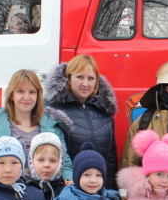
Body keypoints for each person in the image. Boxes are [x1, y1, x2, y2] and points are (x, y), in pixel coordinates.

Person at [0, 69, 73, 186]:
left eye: (32, 92)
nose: (27, 97)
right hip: (4, 194)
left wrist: (67, 179)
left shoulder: (52, 124)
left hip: (44, 195)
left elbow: (63, 160)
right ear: (12, 95)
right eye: (21, 91)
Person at [44, 55, 120, 190]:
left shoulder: (104, 110)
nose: (85, 84)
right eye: (80, 77)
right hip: (68, 190)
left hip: (98, 190)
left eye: (90, 78)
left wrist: (111, 191)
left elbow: (111, 157)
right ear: (68, 78)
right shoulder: (52, 110)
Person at [27, 131, 65, 200]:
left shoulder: (66, 193)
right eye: (41, 160)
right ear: (31, 161)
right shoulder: (24, 191)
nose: (47, 165)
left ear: (60, 163)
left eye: (52, 160)